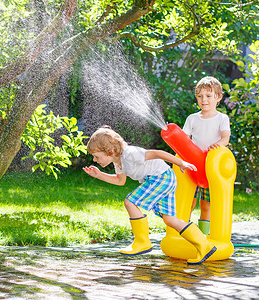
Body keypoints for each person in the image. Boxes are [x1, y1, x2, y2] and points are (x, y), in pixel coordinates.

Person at [83, 125, 217, 265]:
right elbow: (120, 181)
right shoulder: (118, 162)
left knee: (130, 202)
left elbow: (158, 153)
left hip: (161, 178)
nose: (94, 160)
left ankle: (142, 242)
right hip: (164, 178)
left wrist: (181, 163)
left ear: (110, 151)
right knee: (170, 220)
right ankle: (204, 245)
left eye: (96, 156)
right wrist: (99, 175)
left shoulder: (130, 154)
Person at [183, 76, 231, 235]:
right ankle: (185, 232)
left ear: (218, 98)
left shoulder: (222, 118)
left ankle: (204, 235)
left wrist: (218, 144)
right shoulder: (192, 118)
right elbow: (184, 140)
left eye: (209, 96)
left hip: (212, 168)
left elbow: (225, 137)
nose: (204, 99)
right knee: (188, 201)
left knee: (206, 204)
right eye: (200, 96)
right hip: (193, 166)